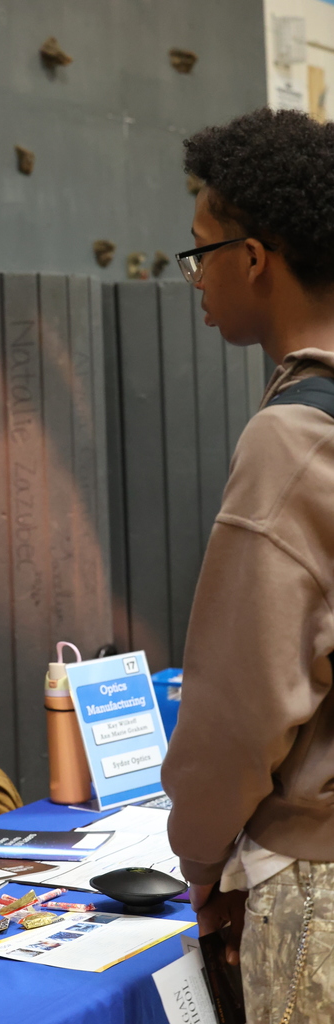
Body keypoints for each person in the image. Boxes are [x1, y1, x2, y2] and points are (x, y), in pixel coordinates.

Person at [161, 108, 334, 1022]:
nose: (194, 276)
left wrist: (198, 855)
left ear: (254, 258)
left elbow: (239, 710)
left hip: (316, 892)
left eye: (199, 250)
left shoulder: (291, 437)